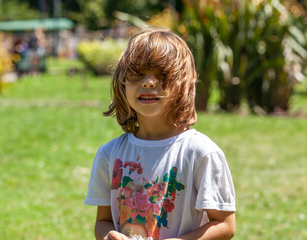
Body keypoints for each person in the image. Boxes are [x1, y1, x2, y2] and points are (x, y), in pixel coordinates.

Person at [84, 28, 236, 240]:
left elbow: (225, 225)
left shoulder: (201, 152)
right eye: (137, 74)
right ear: (122, 82)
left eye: (162, 75)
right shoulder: (109, 154)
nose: (148, 82)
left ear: (182, 83)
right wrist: (108, 235)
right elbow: (103, 221)